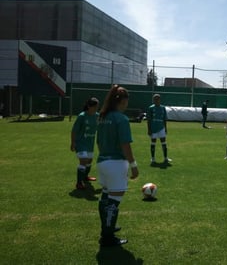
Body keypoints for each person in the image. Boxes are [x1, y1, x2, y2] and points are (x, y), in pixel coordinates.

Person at [96, 85, 139, 247]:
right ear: (123, 101)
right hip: (115, 164)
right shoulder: (121, 119)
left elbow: (99, 142)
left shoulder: (102, 117)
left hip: (102, 161)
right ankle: (107, 237)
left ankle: (107, 228)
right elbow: (125, 144)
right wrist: (133, 165)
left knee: (106, 198)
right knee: (114, 201)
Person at [71, 97, 99, 190]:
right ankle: (79, 183)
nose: (96, 109)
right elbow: (74, 130)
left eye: (97, 107)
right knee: (83, 160)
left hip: (90, 143)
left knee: (89, 161)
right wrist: (73, 142)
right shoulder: (82, 116)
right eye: (94, 107)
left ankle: (85, 177)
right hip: (80, 143)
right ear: (88, 106)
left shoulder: (97, 116)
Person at [147, 94, 171, 165]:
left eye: (157, 99)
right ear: (153, 100)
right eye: (155, 99)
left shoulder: (163, 108)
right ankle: (153, 159)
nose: (156, 100)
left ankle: (165, 158)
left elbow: (164, 119)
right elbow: (149, 119)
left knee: (164, 143)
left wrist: (165, 128)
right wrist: (149, 129)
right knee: (153, 143)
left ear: (160, 100)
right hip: (153, 128)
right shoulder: (150, 108)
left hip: (161, 128)